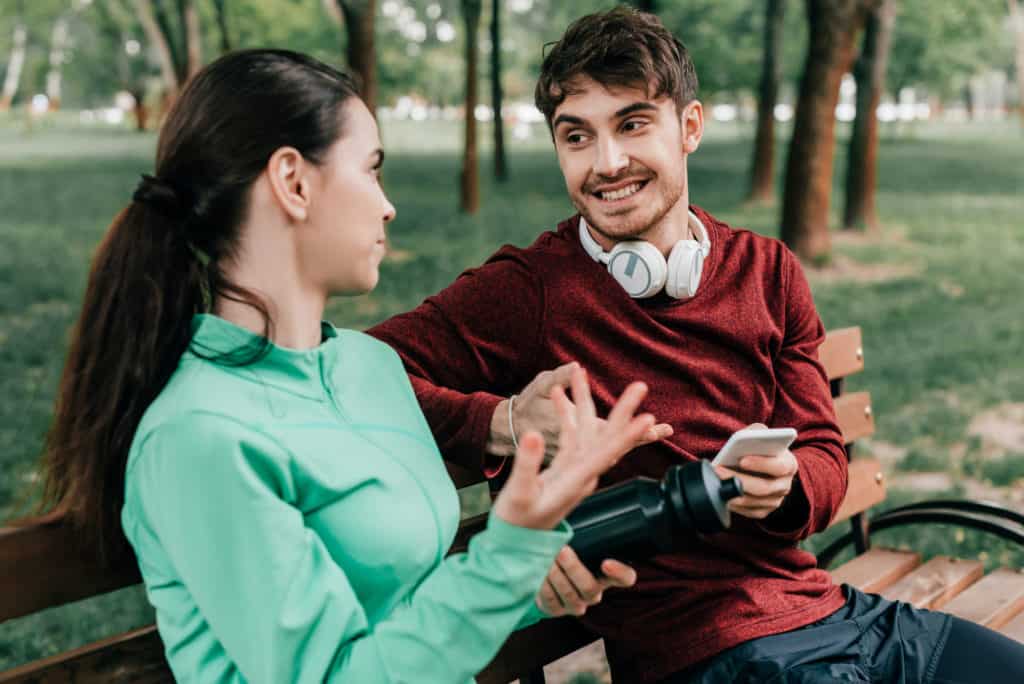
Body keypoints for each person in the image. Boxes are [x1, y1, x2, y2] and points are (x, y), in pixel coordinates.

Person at [367, 8, 1024, 683]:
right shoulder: (530, 290)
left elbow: (827, 457)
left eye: (631, 124)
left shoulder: (768, 271)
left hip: (834, 613)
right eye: (577, 137)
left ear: (689, 127)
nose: (607, 163)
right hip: (706, 655)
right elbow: (349, 373)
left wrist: (791, 482)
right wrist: (501, 425)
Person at [37, 49, 661, 683]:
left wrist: (529, 586)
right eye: (371, 170)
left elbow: (406, 607)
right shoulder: (199, 436)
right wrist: (506, 554)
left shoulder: (368, 367)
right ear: (294, 183)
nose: (388, 207)